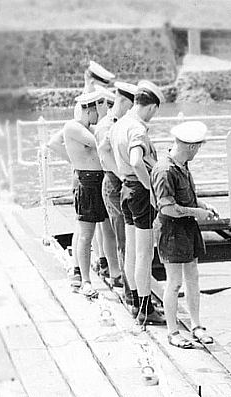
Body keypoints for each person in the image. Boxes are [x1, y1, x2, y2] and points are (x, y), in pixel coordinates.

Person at [153, 121, 220, 349]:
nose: (198, 151)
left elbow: (187, 197)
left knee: (193, 276)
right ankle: (173, 331)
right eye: (198, 147)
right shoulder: (165, 170)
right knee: (174, 283)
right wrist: (197, 212)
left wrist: (204, 206)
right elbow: (167, 208)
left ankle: (196, 324)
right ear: (191, 147)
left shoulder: (182, 165)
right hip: (171, 230)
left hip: (187, 228)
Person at [50, 89, 112, 298]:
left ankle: (104, 269)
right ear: (89, 109)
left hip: (97, 180)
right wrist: (75, 161)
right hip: (87, 182)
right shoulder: (74, 127)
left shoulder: (86, 127)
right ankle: (85, 280)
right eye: (98, 109)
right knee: (86, 234)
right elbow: (101, 143)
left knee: (98, 230)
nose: (98, 115)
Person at [113, 79, 165, 325]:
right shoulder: (137, 129)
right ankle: (146, 308)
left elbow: (106, 154)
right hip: (140, 191)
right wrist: (150, 189)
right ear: (152, 107)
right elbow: (136, 160)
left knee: (132, 250)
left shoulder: (119, 124)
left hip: (125, 188)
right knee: (144, 253)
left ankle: (135, 302)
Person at [95, 80, 136, 290]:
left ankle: (122, 277)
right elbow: (105, 158)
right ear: (123, 101)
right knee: (122, 237)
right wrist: (125, 177)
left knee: (123, 235)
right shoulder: (106, 126)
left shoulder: (123, 123)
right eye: (132, 104)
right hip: (114, 181)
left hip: (122, 181)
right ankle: (123, 281)